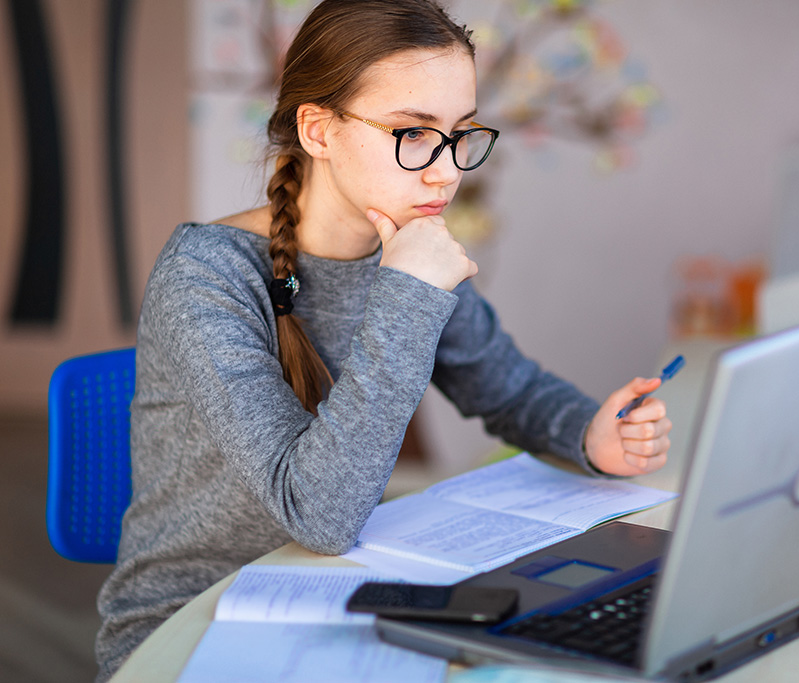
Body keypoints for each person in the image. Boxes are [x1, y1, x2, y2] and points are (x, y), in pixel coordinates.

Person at [94, 1, 673, 679]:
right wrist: (408, 296)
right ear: (318, 129)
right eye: (412, 132)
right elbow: (320, 514)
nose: (447, 172)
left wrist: (586, 431)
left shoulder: (410, 246)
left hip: (338, 596)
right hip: (190, 626)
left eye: (459, 133)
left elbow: (508, 388)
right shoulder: (204, 276)